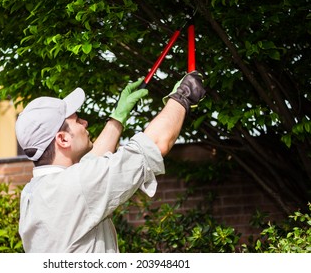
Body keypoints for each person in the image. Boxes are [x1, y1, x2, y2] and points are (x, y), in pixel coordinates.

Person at [15, 71, 205, 253]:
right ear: (63, 139)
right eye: (77, 120)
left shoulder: (34, 192)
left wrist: (118, 117)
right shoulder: (76, 185)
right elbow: (153, 145)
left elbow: (91, 167)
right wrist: (182, 97)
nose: (85, 123)